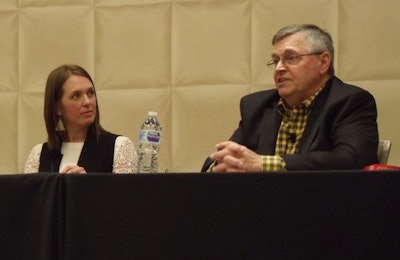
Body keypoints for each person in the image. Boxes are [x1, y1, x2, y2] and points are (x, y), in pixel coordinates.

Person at [201, 24, 379, 172]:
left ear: (323, 62)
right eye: (275, 60)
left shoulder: (350, 101)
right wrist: (222, 165)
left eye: (290, 58)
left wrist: (266, 164)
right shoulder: (256, 106)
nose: (279, 68)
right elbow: (216, 161)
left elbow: (352, 159)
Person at [24, 64, 138, 174]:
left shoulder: (119, 148)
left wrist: (86, 186)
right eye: (76, 96)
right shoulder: (39, 155)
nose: (87, 102)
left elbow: (126, 193)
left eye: (91, 93)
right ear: (57, 107)